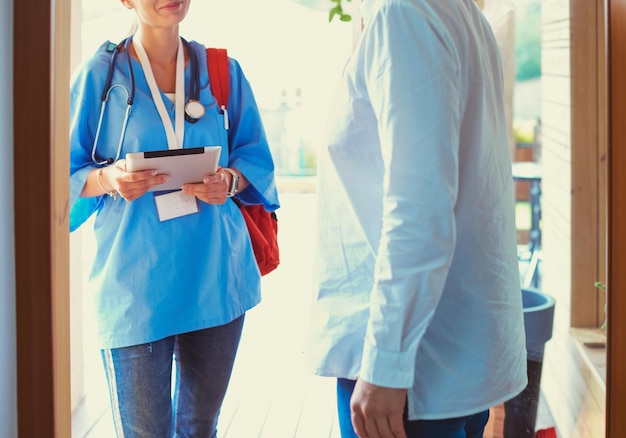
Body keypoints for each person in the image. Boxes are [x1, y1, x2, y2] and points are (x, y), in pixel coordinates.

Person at [307, 0, 527, 437]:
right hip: (448, 354)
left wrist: (387, 362)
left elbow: (417, 207)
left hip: (410, 368)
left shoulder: (403, 15)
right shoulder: (460, 14)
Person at [69, 0, 279, 436]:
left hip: (216, 278)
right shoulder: (100, 77)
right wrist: (108, 179)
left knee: (201, 428)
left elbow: (255, 161)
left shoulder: (222, 72)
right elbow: (59, 176)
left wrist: (230, 181)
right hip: (135, 287)